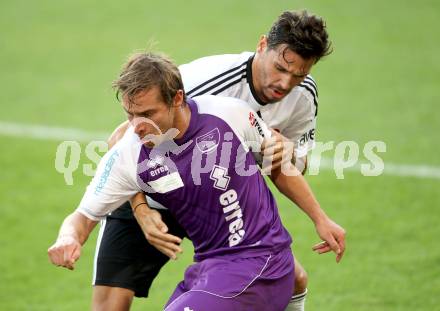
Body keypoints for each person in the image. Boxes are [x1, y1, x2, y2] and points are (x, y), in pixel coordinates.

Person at [48, 52, 345, 311]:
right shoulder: (129, 155)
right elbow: (82, 217)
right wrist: (68, 238)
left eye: (148, 114)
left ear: (177, 99)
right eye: (130, 114)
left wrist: (320, 218)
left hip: (261, 260)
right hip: (210, 268)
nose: (137, 126)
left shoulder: (229, 115)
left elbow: (279, 166)